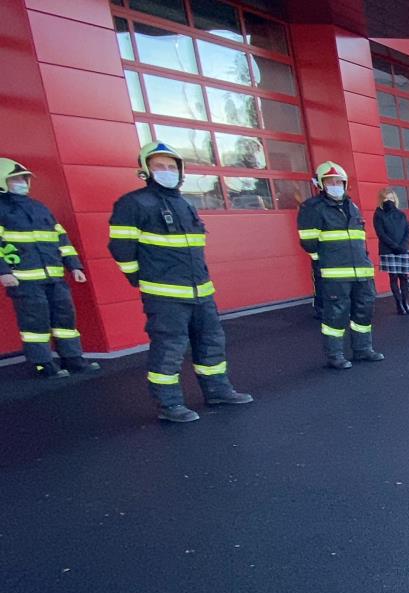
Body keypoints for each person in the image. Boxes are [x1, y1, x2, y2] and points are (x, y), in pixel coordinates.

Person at [109, 142, 253, 423]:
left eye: (171, 166)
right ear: (146, 170)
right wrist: (141, 279)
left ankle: (217, 390)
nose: (166, 171)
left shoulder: (184, 203)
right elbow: (121, 249)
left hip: (201, 291)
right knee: (169, 348)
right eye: (159, 166)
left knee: (211, 342)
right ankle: (169, 404)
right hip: (165, 294)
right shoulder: (133, 203)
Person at [0, 159, 99, 378]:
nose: (22, 182)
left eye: (23, 178)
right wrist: (4, 271)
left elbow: (61, 238)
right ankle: (42, 363)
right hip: (23, 278)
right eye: (15, 179)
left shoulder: (39, 207)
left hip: (55, 276)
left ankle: (73, 359)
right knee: (35, 322)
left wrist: (74, 266)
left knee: (65, 319)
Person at [298, 162, 383, 368]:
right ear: (320, 184)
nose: (335, 185)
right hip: (335, 273)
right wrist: (325, 262)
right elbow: (308, 241)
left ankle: (363, 349)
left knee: (364, 311)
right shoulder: (313, 208)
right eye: (330, 181)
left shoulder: (351, 206)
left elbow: (359, 239)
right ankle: (335, 355)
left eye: (338, 181)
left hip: (361, 271)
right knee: (336, 315)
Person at [374, 188, 409, 315]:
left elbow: (408, 231)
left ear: (395, 199)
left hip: (403, 250)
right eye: (386, 198)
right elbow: (381, 234)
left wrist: (403, 246)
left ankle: (406, 302)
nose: (389, 201)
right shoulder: (378, 214)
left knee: (404, 277)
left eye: (391, 198)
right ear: (381, 199)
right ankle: (398, 304)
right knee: (394, 277)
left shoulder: (402, 214)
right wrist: (395, 247)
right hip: (388, 250)